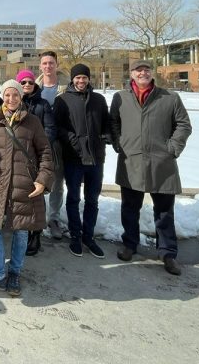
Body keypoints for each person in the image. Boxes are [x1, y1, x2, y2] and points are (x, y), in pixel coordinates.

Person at [110, 59, 192, 276]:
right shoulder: (121, 97)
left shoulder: (169, 97)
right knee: (129, 207)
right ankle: (130, 244)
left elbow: (184, 124)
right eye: (138, 70)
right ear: (132, 74)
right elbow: (113, 123)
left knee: (164, 212)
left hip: (161, 162)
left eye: (146, 69)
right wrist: (120, 143)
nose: (142, 73)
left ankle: (167, 252)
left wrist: (172, 148)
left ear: (151, 73)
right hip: (132, 161)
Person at [0, 79, 53, 297]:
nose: (11, 99)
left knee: (21, 230)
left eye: (15, 95)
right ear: (3, 97)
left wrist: (42, 179)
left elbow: (46, 153)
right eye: (7, 95)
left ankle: (15, 273)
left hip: (24, 185)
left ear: (21, 97)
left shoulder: (33, 122)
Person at [53, 63, 111, 259]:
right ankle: (75, 236)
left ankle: (88, 236)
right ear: (72, 79)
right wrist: (72, 139)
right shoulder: (62, 100)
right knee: (73, 198)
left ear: (88, 79)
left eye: (84, 78)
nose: (81, 81)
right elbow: (57, 127)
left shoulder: (99, 99)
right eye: (77, 78)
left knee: (92, 200)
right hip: (73, 156)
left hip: (95, 157)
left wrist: (105, 136)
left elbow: (107, 123)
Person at [17, 69, 58, 256]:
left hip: (36, 157)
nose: (26, 85)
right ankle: (22, 232)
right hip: (18, 158)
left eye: (30, 83)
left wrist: (36, 145)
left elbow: (50, 129)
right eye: (23, 82)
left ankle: (36, 234)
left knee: (36, 197)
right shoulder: (13, 103)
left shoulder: (43, 104)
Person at [36, 51, 67, 240]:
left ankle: (53, 218)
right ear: (40, 66)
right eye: (45, 63)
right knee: (37, 180)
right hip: (37, 142)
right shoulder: (33, 87)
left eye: (51, 63)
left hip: (59, 143)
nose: (48, 66)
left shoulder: (66, 87)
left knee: (57, 182)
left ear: (56, 65)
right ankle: (38, 215)